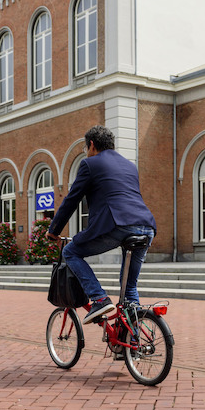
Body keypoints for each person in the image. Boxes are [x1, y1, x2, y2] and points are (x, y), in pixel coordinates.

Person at [47, 125, 156, 324]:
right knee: (130, 287)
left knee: (70, 252)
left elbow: (72, 199)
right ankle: (133, 342)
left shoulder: (90, 164)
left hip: (118, 225)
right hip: (146, 226)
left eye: (85, 148)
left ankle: (99, 298)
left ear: (91, 145)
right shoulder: (130, 165)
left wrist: (53, 231)